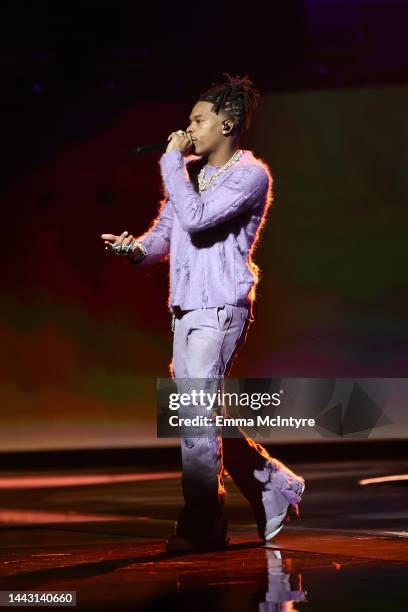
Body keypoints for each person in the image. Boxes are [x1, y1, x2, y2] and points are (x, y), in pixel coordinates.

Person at [101, 74, 305, 554]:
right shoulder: (188, 175)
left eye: (198, 119)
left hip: (221, 307)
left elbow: (197, 218)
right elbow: (164, 238)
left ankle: (202, 520)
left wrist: (171, 159)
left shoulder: (249, 175)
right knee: (199, 412)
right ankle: (269, 480)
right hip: (185, 309)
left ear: (227, 123)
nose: (188, 128)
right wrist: (134, 249)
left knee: (194, 412)